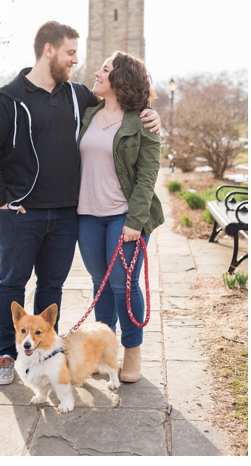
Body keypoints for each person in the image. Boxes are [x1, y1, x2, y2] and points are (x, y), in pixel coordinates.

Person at [0, 21, 161, 386]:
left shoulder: (78, 97)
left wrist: (152, 114)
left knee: (58, 288)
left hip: (72, 215)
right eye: (71, 52)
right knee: (15, 284)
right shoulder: (7, 100)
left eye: (80, 54)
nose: (79, 61)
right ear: (49, 50)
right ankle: (7, 356)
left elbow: (128, 112)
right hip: (32, 215)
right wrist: (3, 199)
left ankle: (59, 354)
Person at [76, 51, 164, 383]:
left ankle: (133, 352)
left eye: (105, 68)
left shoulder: (142, 121)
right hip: (87, 215)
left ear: (120, 79)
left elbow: (147, 175)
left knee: (123, 285)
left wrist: (135, 222)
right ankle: (104, 350)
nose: (97, 72)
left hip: (124, 217)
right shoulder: (87, 114)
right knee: (101, 285)